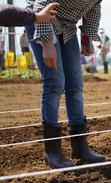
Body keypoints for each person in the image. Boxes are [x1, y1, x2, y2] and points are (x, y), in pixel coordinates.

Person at [26, 0, 106, 169]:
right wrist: (47, 43)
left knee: (75, 85)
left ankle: (80, 147)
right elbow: (41, 5)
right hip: (41, 20)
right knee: (55, 83)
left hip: (68, 27)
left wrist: (87, 36)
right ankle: (52, 151)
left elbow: (94, 6)